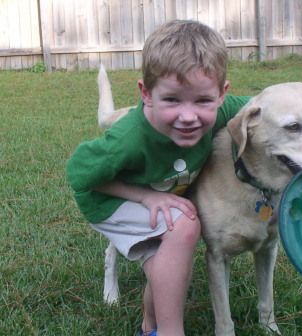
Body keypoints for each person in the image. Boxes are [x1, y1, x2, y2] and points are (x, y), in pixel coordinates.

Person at [66, 20, 250, 336]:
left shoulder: (225, 110)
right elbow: (79, 174)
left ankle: (149, 327)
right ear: (146, 94)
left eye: (202, 100)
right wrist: (146, 196)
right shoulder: (129, 138)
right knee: (184, 224)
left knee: (166, 271)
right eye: (173, 100)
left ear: (221, 94)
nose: (189, 116)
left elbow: (265, 111)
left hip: (153, 195)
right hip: (108, 199)